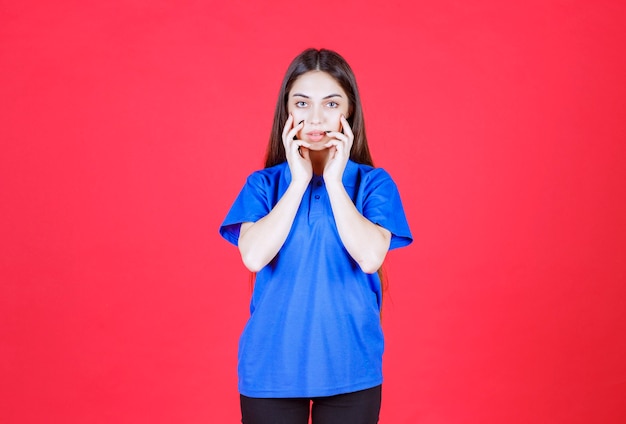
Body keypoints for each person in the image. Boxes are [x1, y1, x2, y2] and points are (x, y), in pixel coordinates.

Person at [219, 48, 412, 424]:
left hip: (351, 368)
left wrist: (336, 184)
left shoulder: (374, 184)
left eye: (331, 103)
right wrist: (299, 182)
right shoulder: (263, 185)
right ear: (287, 111)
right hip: (270, 369)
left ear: (349, 111)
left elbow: (371, 257)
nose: (316, 118)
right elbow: (253, 256)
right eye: (302, 103)